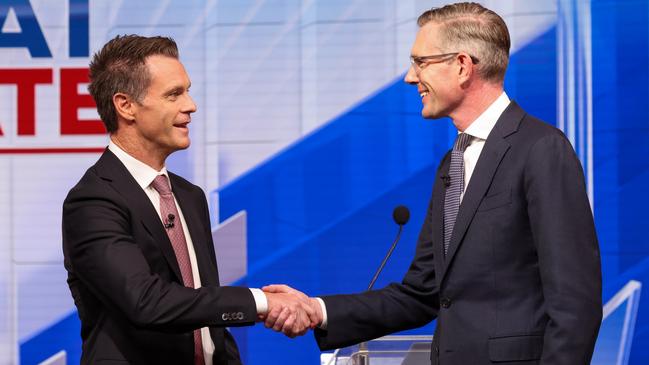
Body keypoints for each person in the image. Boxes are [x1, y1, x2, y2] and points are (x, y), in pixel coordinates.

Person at [264, 3, 603, 364]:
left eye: (420, 62)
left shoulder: (540, 149)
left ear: (461, 66)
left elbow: (574, 305)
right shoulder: (453, 161)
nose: (410, 77)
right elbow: (422, 293)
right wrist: (317, 310)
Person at [62, 35, 317, 365]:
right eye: (174, 94)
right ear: (125, 105)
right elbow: (146, 301)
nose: (191, 105)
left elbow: (203, 310)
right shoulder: (93, 201)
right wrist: (262, 302)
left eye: (187, 90)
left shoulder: (188, 196)